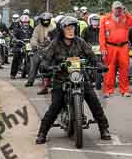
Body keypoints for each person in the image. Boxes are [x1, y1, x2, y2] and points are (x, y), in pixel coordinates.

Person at [35, 16, 111, 144]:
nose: (70, 31)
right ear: (62, 30)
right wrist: (48, 66)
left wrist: (99, 65)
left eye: (73, 28)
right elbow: (46, 60)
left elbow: (92, 57)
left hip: (80, 77)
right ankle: (42, 132)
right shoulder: (55, 43)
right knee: (55, 106)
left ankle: (104, 128)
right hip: (61, 78)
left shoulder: (80, 42)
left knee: (94, 101)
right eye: (67, 28)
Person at [100, 1, 132, 98]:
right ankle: (108, 90)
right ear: (112, 9)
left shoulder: (125, 17)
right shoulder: (105, 19)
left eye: (120, 8)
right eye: (116, 8)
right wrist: (103, 47)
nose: (118, 10)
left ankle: (124, 90)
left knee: (124, 68)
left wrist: (127, 12)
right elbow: (102, 35)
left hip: (123, 47)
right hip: (110, 46)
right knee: (109, 69)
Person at [25, 12, 55, 91]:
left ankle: (53, 81)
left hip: (51, 48)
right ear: (41, 20)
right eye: (44, 20)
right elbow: (34, 38)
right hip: (40, 48)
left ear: (50, 20)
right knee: (35, 61)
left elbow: (57, 38)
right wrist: (34, 45)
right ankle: (30, 80)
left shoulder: (54, 27)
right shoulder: (37, 28)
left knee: (55, 62)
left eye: (47, 20)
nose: (45, 22)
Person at [10, 14, 33, 80]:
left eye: (27, 22)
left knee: (36, 55)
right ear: (21, 23)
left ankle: (34, 72)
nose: (26, 24)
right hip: (19, 46)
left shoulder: (31, 29)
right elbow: (14, 36)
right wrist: (15, 39)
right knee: (16, 56)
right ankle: (13, 74)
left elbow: (35, 36)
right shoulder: (17, 29)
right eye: (24, 22)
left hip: (29, 46)